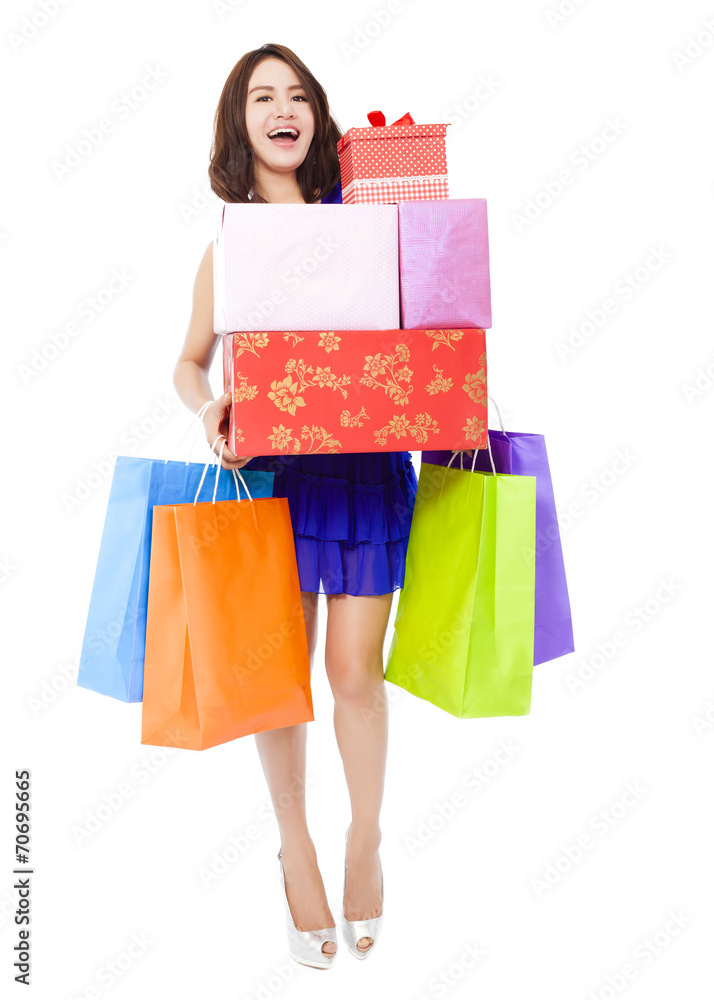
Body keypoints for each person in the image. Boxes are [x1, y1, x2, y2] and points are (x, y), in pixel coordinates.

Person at [172, 42, 418, 968]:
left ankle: (364, 836)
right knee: (283, 679)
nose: (284, 108)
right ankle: (297, 847)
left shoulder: (365, 222)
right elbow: (188, 360)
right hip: (273, 476)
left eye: (299, 96)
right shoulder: (229, 246)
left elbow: (418, 327)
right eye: (263, 96)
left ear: (316, 119)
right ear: (241, 122)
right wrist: (210, 412)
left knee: (355, 673)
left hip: (360, 470)